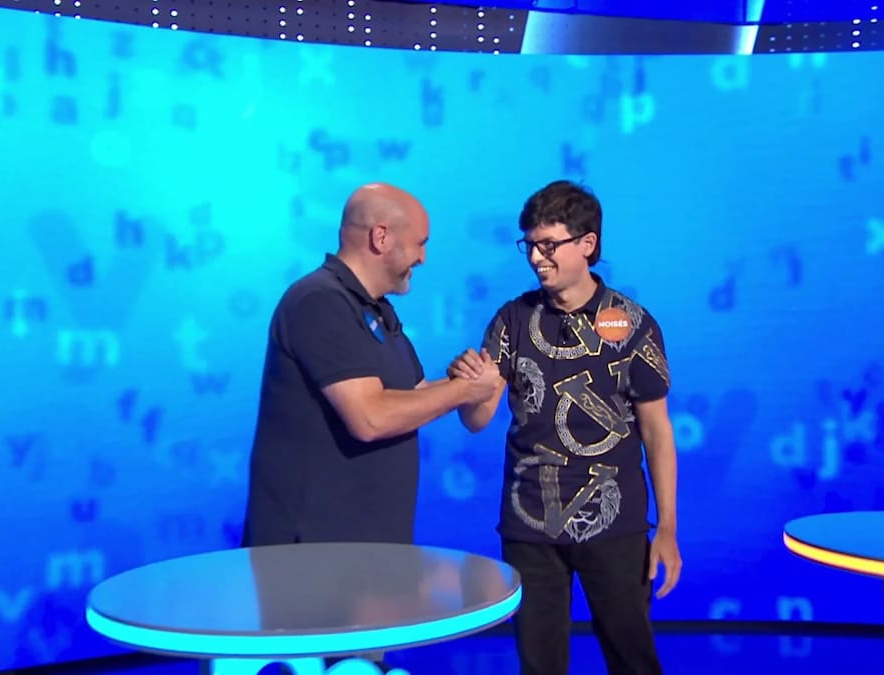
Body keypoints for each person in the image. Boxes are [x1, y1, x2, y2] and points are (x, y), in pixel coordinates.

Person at [449, 180, 682, 675]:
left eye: (549, 245)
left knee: (633, 658)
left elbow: (657, 432)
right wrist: (469, 388)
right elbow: (477, 420)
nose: (537, 257)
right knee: (539, 665)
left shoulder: (632, 324)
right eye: (530, 245)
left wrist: (667, 528)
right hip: (528, 526)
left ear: (587, 244)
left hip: (615, 526)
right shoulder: (513, 320)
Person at [242, 182, 502, 549]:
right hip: (312, 554)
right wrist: (463, 390)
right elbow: (370, 417)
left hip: (370, 549)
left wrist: (466, 379)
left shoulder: (376, 310)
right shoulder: (319, 302)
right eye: (420, 243)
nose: (423, 258)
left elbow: (412, 396)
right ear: (381, 237)